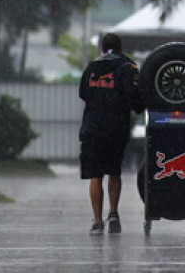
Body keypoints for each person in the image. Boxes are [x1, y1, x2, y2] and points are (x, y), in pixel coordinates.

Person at [78, 32, 143, 235]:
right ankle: (113, 213)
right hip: (116, 129)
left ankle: (97, 222)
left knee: (95, 175)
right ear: (120, 48)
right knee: (114, 171)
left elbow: (83, 93)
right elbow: (134, 97)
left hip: (92, 129)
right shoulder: (126, 67)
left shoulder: (92, 67)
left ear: (102, 48)